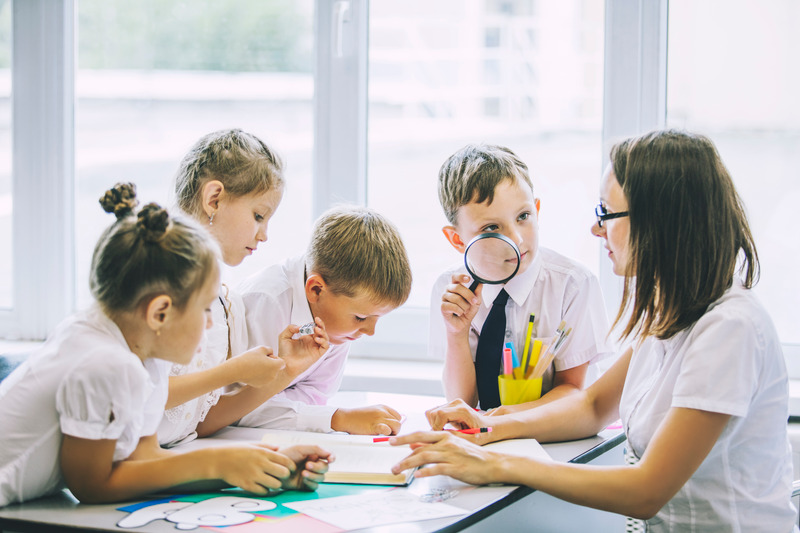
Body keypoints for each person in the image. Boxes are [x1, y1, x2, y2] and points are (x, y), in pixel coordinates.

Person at [391, 130, 797, 531]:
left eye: (605, 214)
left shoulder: (730, 328)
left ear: (658, 222)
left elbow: (647, 490)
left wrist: (495, 462)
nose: (596, 230)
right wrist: (485, 427)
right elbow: (591, 408)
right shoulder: (671, 313)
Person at [0, 184, 331, 507]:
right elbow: (91, 485)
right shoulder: (105, 362)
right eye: (204, 309)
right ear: (159, 313)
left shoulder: (143, 354)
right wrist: (220, 464)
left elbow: (146, 461)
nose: (210, 324)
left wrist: (258, 466)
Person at [159, 129, 329, 447]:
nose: (264, 235)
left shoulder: (227, 307)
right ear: (214, 199)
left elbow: (202, 422)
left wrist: (285, 372)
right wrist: (231, 371)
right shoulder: (154, 282)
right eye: (258, 216)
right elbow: (137, 398)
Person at [431, 144, 612, 410]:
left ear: (537, 211)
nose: (516, 238)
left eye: (523, 217)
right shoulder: (451, 291)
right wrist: (456, 333)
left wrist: (501, 422)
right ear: (458, 239)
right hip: (483, 441)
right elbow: (463, 402)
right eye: (492, 227)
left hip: (558, 440)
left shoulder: (573, 285)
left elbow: (572, 389)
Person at [237, 205, 413, 435]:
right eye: (361, 317)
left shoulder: (338, 320)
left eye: (377, 318)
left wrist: (287, 406)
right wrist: (338, 418)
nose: (369, 331)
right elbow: (238, 406)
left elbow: (316, 394)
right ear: (317, 290)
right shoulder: (266, 302)